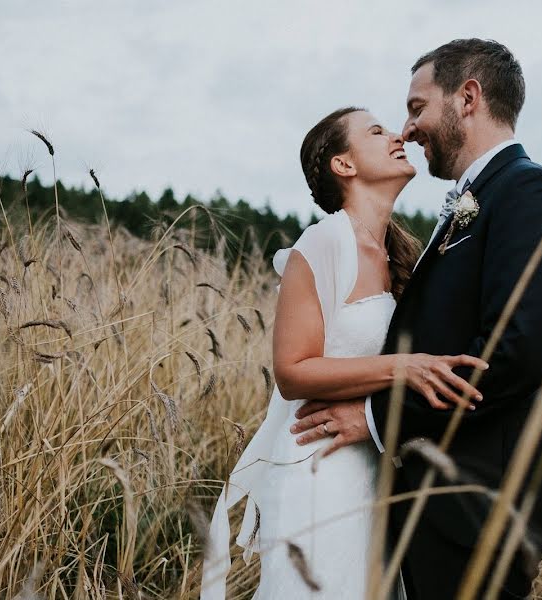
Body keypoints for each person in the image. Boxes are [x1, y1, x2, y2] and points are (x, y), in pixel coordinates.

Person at [291, 39, 542, 599]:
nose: (409, 128)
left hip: (479, 505)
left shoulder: (531, 193)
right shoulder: (470, 203)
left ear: (467, 98)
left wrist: (378, 419)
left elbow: (515, 353)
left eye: (417, 107)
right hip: (434, 502)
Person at [201, 106, 488, 599]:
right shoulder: (325, 241)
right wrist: (403, 368)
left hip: (378, 470)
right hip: (321, 468)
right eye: (376, 132)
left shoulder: (404, 254)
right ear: (344, 165)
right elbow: (292, 371)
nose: (398, 135)